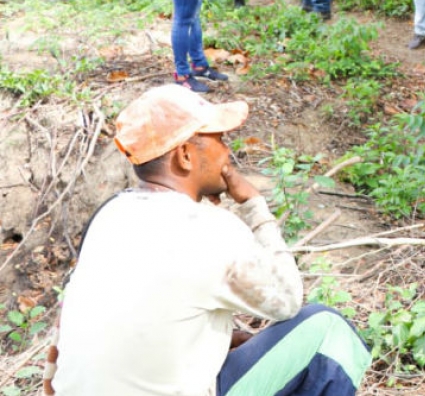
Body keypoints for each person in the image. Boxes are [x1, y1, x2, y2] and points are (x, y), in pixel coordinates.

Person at [50, 84, 371, 395]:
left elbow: (87, 325)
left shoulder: (109, 216)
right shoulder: (209, 228)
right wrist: (254, 205)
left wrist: (219, 337)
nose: (227, 152)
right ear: (185, 155)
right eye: (218, 139)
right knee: (328, 329)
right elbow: (287, 301)